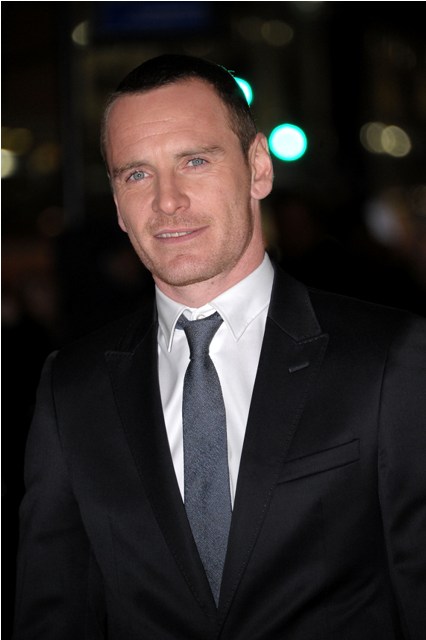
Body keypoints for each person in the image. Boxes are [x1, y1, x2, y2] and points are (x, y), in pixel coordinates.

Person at [13, 54, 426, 640]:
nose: (168, 201)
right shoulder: (72, 389)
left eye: (195, 161)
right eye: (137, 174)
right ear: (117, 203)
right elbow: (50, 614)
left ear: (258, 168)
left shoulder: (388, 358)